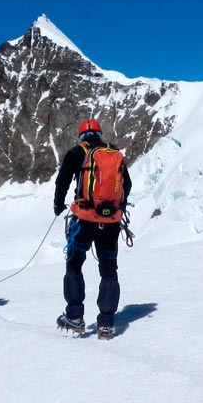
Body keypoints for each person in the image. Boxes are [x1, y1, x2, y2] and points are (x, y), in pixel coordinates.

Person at [53, 119, 132, 339]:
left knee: (75, 265)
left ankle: (75, 317)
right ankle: (106, 323)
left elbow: (62, 182)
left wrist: (58, 205)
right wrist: (117, 209)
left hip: (85, 219)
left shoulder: (76, 152)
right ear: (99, 133)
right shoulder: (113, 152)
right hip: (111, 222)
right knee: (108, 269)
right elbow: (127, 184)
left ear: (81, 136)